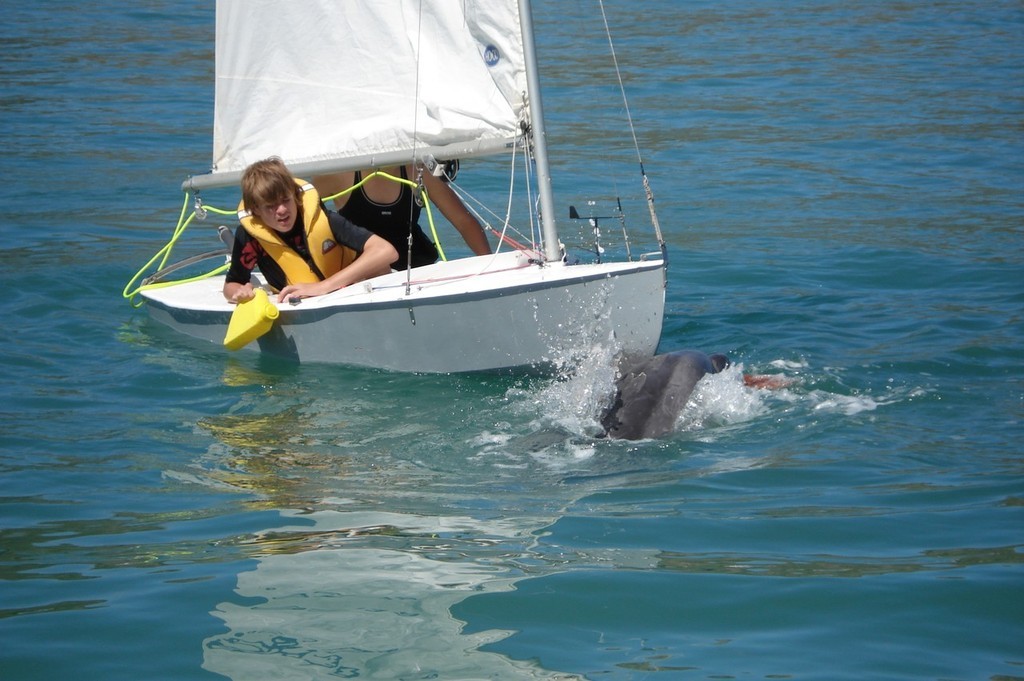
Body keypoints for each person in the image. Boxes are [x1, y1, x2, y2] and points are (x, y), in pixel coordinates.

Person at [223, 158, 398, 304]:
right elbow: (232, 284)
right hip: (296, 302)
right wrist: (238, 293)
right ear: (256, 209)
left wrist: (323, 287)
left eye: (286, 200)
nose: (282, 210)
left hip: (346, 292)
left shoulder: (323, 220)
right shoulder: (249, 237)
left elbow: (386, 251)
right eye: (271, 206)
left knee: (381, 268)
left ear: (296, 196)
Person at [312, 164, 491, 270]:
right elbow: (300, 213)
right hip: (363, 275)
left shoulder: (418, 171)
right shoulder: (336, 174)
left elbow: (463, 222)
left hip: (417, 268)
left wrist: (489, 264)